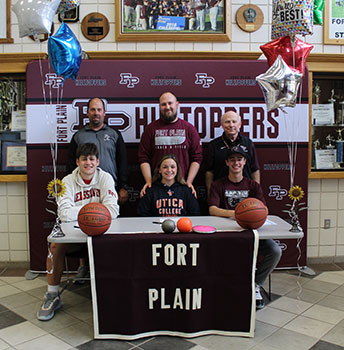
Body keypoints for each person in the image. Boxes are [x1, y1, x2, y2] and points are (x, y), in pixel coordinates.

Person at [37, 143, 119, 321]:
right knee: (55, 246)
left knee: (119, 246)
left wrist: (84, 212)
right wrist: (95, 212)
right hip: (74, 234)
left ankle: (116, 294)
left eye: (91, 159)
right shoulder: (67, 181)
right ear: (77, 162)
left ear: (97, 161)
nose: (88, 163)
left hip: (101, 233)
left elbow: (113, 210)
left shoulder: (106, 178)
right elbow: (64, 213)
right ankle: (52, 295)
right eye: (84, 159)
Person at [208, 146, 281, 309]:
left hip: (251, 232)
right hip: (228, 234)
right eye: (232, 159)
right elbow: (212, 209)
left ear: (245, 162)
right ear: (226, 162)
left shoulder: (253, 185)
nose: (236, 163)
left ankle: (255, 285)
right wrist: (236, 214)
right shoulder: (218, 185)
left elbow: (264, 210)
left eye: (239, 159)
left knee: (275, 251)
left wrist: (249, 217)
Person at [138, 91, 202, 197]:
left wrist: (189, 182)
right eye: (163, 104)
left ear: (177, 105)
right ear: (159, 107)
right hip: (157, 187)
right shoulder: (150, 129)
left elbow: (197, 158)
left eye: (170, 103)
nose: (167, 107)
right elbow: (143, 157)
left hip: (182, 186)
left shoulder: (189, 128)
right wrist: (149, 181)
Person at [67, 97, 129, 205]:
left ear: (104, 113)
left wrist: (123, 187)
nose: (96, 113)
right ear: (87, 112)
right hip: (85, 191)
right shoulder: (78, 136)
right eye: (93, 110)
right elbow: (71, 164)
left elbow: (122, 161)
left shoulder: (114, 134)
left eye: (99, 110)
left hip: (110, 188)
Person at [205, 110, 260, 196]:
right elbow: (209, 172)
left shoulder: (248, 143)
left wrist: (256, 191)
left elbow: (255, 170)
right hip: (221, 193)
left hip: (245, 193)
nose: (231, 125)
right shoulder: (213, 145)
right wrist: (210, 192)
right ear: (222, 125)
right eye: (227, 122)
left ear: (240, 124)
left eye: (234, 122)